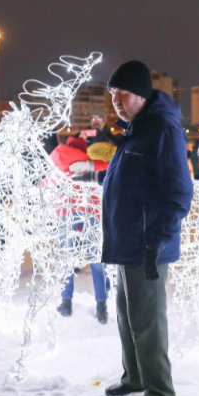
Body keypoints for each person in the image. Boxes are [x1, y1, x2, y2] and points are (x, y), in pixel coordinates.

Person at [75, 60, 193, 396]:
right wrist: (95, 180)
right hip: (126, 242)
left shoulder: (162, 129)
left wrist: (156, 241)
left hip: (146, 245)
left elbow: (178, 192)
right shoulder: (136, 129)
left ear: (140, 94)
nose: (115, 101)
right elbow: (129, 179)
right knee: (127, 316)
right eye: (112, 95)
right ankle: (135, 377)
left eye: (121, 94)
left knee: (147, 318)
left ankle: (160, 389)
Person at [50, 136, 110, 324]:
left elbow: (47, 184)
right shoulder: (92, 163)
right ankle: (102, 308)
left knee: (67, 258)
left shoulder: (58, 158)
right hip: (91, 211)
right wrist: (91, 164)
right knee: (96, 259)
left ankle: (66, 304)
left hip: (67, 210)